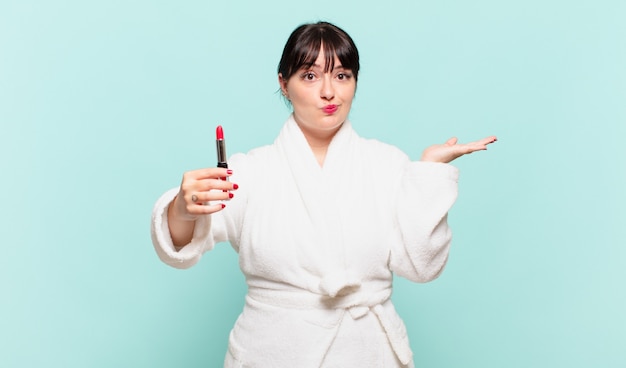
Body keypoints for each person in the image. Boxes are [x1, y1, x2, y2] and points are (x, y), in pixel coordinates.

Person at [151, 21, 496, 368]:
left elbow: (422, 266)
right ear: (284, 84)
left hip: (367, 352)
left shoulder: (388, 164)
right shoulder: (249, 172)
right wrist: (182, 210)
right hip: (273, 354)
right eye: (311, 76)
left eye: (342, 75)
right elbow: (181, 244)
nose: (329, 91)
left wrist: (429, 174)